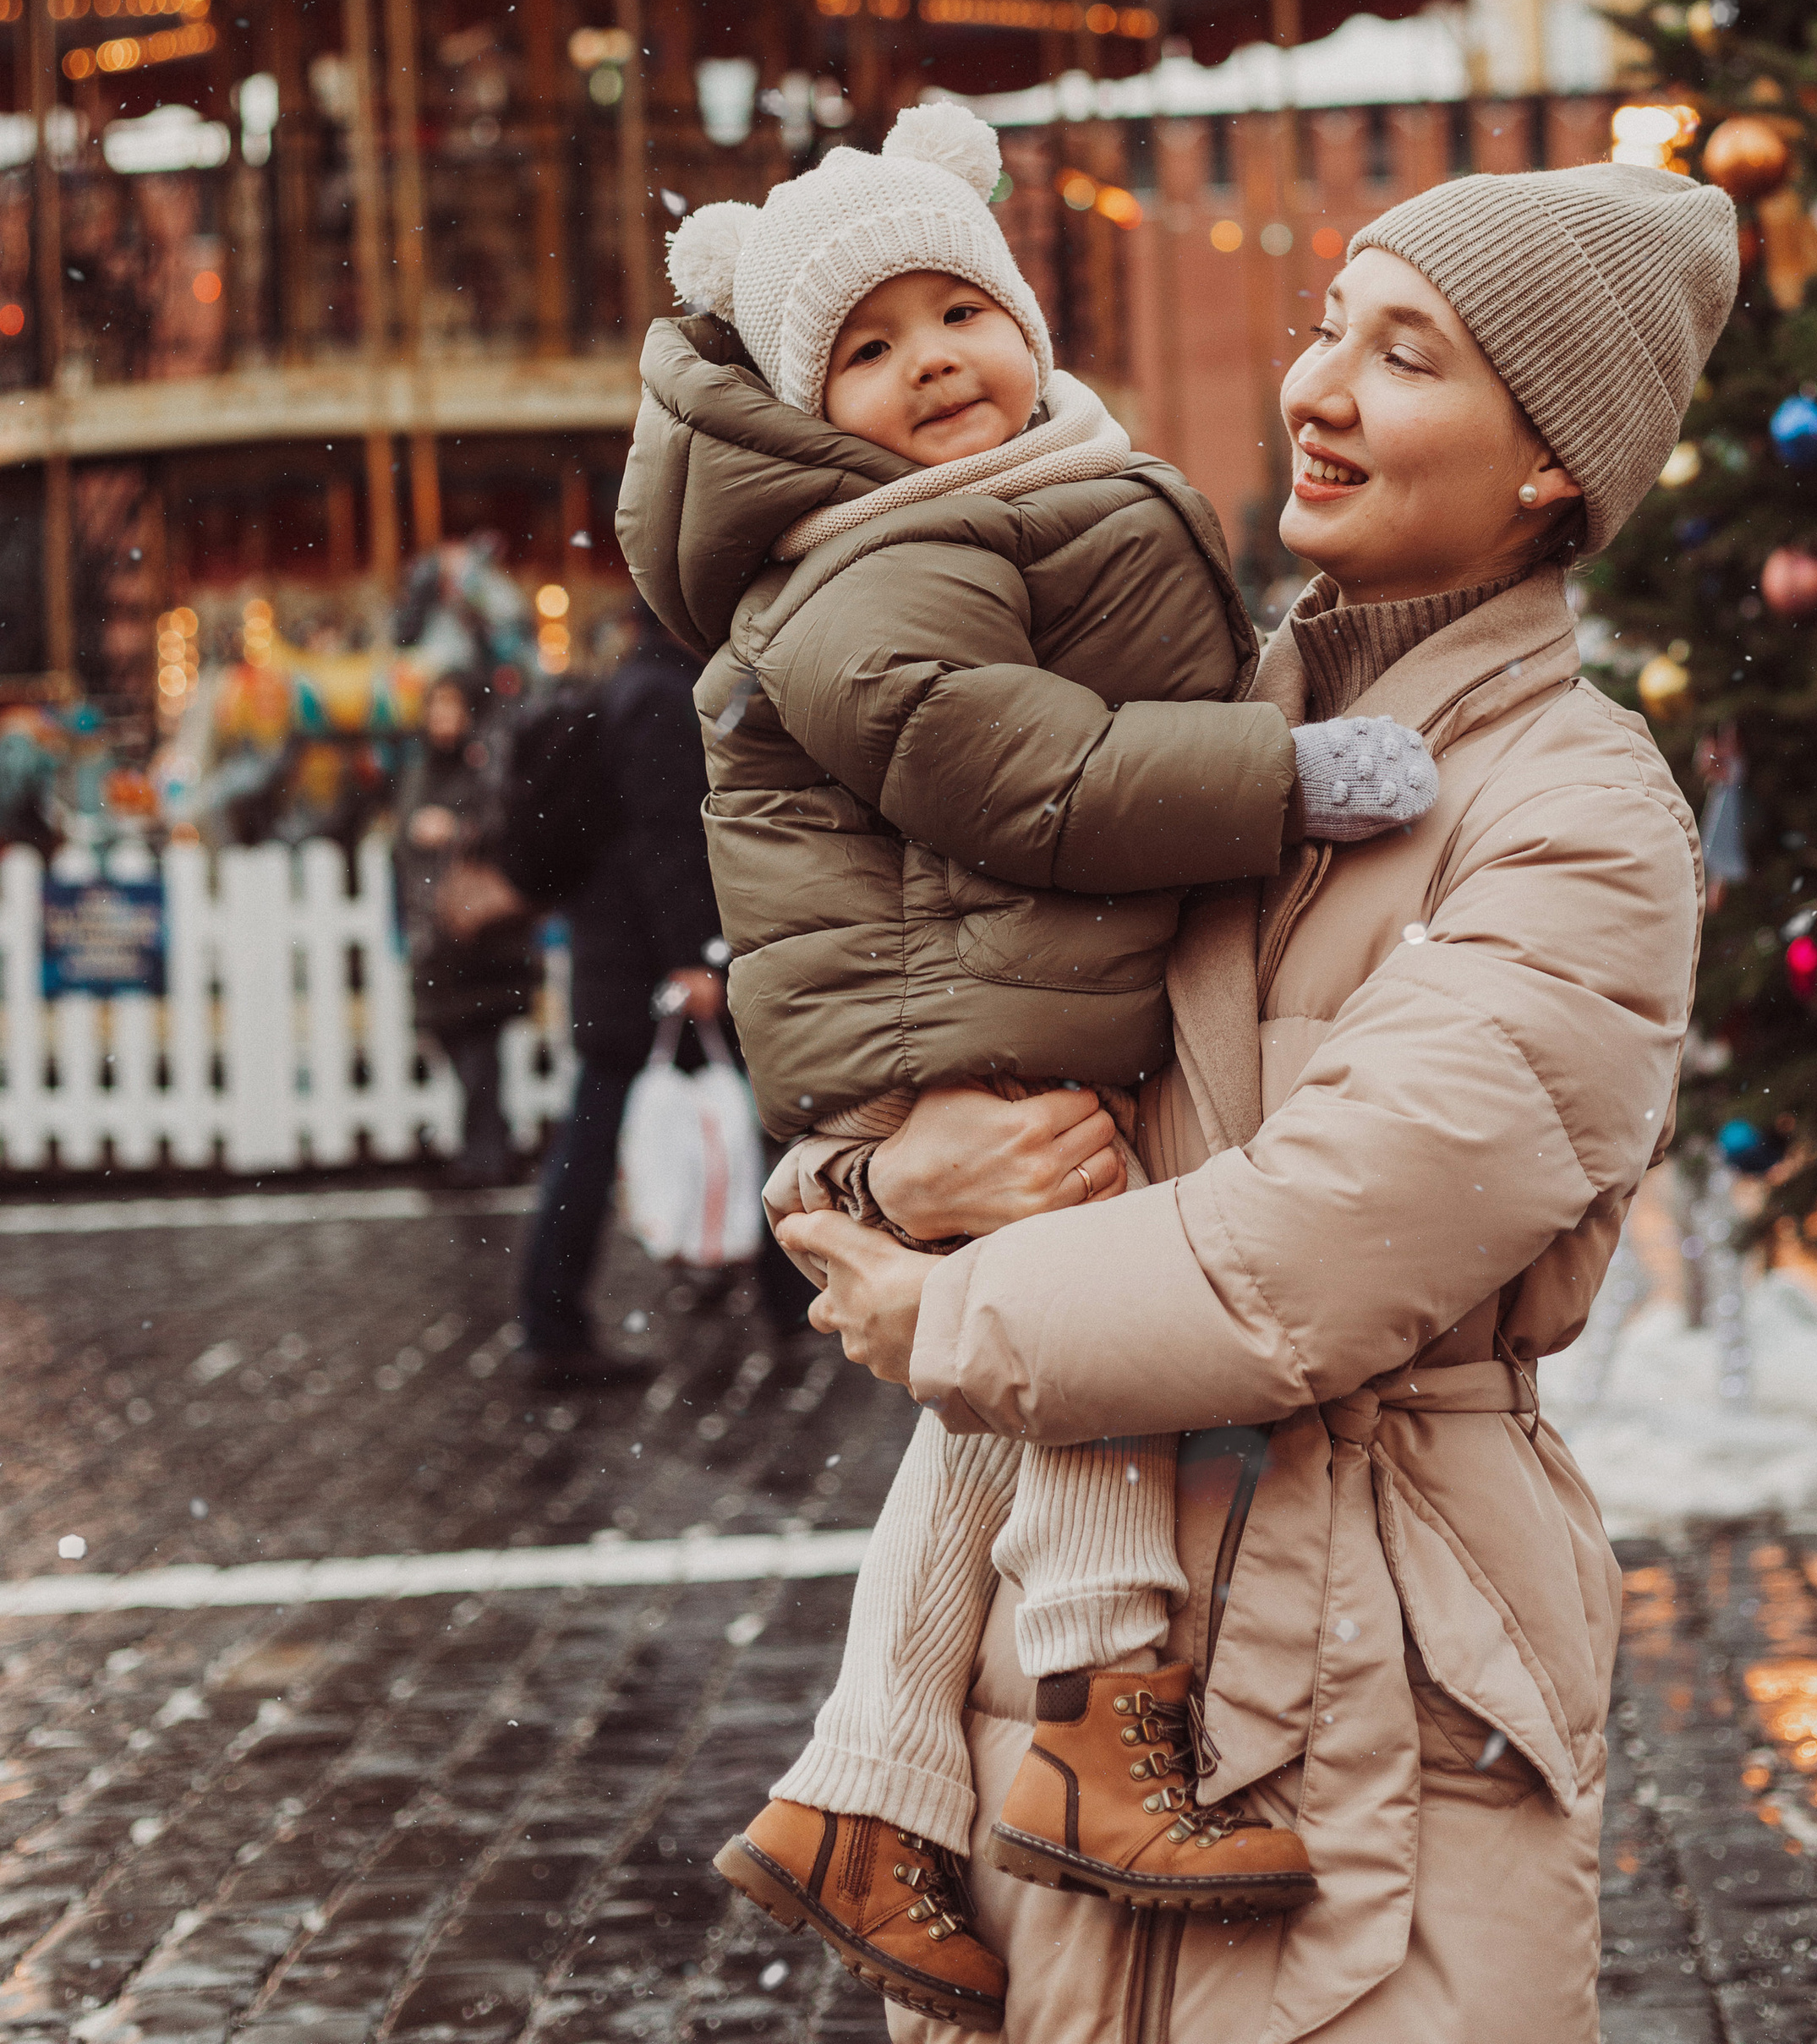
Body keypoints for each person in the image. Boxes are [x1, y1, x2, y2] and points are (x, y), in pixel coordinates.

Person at [777, 156, 1738, 2044]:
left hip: (1376, 1639)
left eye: (1407, 356)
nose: (1316, 386)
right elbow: (918, 993)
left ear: (1551, 458)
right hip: (1077, 1641)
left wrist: (952, 1309)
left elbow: (1320, 1240)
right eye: (1324, 330)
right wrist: (892, 1174)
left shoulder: (1577, 817)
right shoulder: (1191, 737)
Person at [615, 101, 1438, 2030]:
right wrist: (1284, 775)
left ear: (1019, 307)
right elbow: (1020, 767)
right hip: (958, 1013)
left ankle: (867, 1785)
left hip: (974, 998)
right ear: (816, 408)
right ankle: (1087, 1710)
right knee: (1067, 1364)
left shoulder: (990, 497)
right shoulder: (872, 554)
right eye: (872, 348)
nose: (930, 366)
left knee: (985, 1410)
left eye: (953, 314)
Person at [511, 595, 728, 1385]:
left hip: (615, 959)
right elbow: (667, 843)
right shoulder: (661, 700)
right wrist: (692, 959)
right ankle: (552, 1319)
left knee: (604, 1132)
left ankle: (731, 1276)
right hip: (643, 966)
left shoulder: (622, 691)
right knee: (599, 1138)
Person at [393, 669, 533, 1187]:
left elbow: (504, 825)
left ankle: (486, 1154)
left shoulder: (487, 765)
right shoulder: (420, 768)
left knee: (479, 1043)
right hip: (436, 934)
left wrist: (455, 829)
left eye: (454, 707)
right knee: (455, 1039)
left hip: (480, 935)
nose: (444, 718)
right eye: (437, 707)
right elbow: (403, 837)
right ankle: (491, 1144)